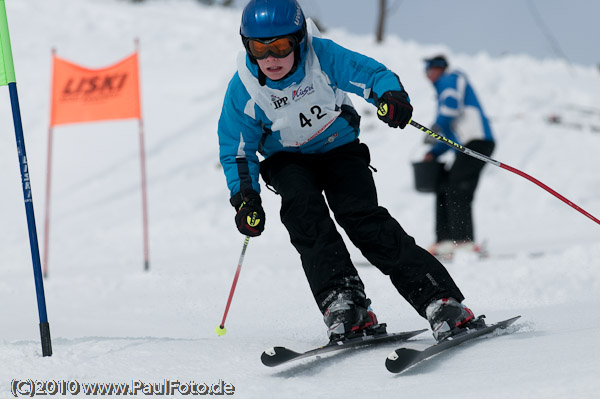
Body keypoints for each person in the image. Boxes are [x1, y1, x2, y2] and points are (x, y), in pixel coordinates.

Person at [218, 0, 477, 342]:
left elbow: (372, 74)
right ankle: (343, 302)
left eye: (280, 46)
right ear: (246, 45)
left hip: (339, 148)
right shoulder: (244, 90)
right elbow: (236, 151)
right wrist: (245, 199)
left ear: (297, 40)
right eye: (259, 48)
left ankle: (439, 299)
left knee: (363, 219)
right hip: (287, 161)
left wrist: (391, 97)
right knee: (304, 215)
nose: (271, 59)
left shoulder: (321, 57)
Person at [423, 55, 495, 259]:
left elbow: (449, 110)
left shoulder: (450, 80)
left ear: (437, 69)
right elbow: (449, 135)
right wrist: (434, 152)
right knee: (444, 185)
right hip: (466, 145)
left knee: (457, 187)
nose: (427, 75)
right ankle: (445, 240)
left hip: (478, 141)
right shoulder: (443, 89)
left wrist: (435, 127)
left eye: (429, 70)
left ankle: (462, 240)